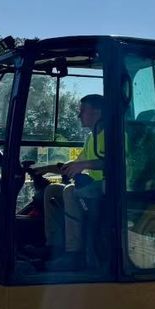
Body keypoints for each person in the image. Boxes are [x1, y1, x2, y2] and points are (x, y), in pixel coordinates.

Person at [43, 93, 106, 269]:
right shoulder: (91, 137)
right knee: (52, 190)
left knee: (69, 191)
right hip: (91, 186)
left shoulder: (113, 135)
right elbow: (76, 164)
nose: (79, 115)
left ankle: (74, 253)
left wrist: (85, 165)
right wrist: (44, 169)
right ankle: (53, 246)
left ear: (98, 112)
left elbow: (114, 163)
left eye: (83, 111)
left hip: (110, 186)